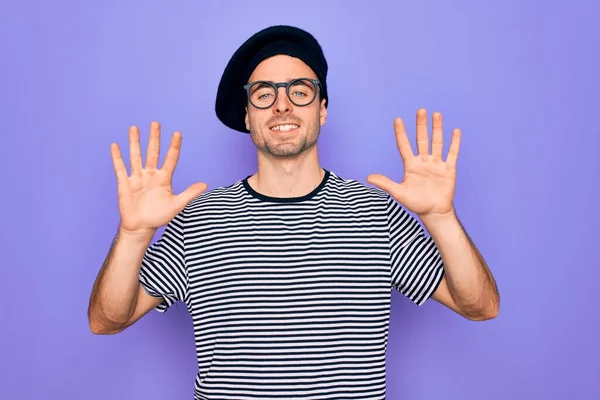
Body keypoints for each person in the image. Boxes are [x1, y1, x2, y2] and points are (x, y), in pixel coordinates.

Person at [88, 25, 499, 399]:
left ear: (321, 108)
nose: (282, 105)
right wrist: (134, 233)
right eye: (264, 94)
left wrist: (442, 219)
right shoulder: (200, 219)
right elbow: (107, 320)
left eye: (299, 90)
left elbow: (480, 306)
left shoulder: (376, 213)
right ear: (248, 116)